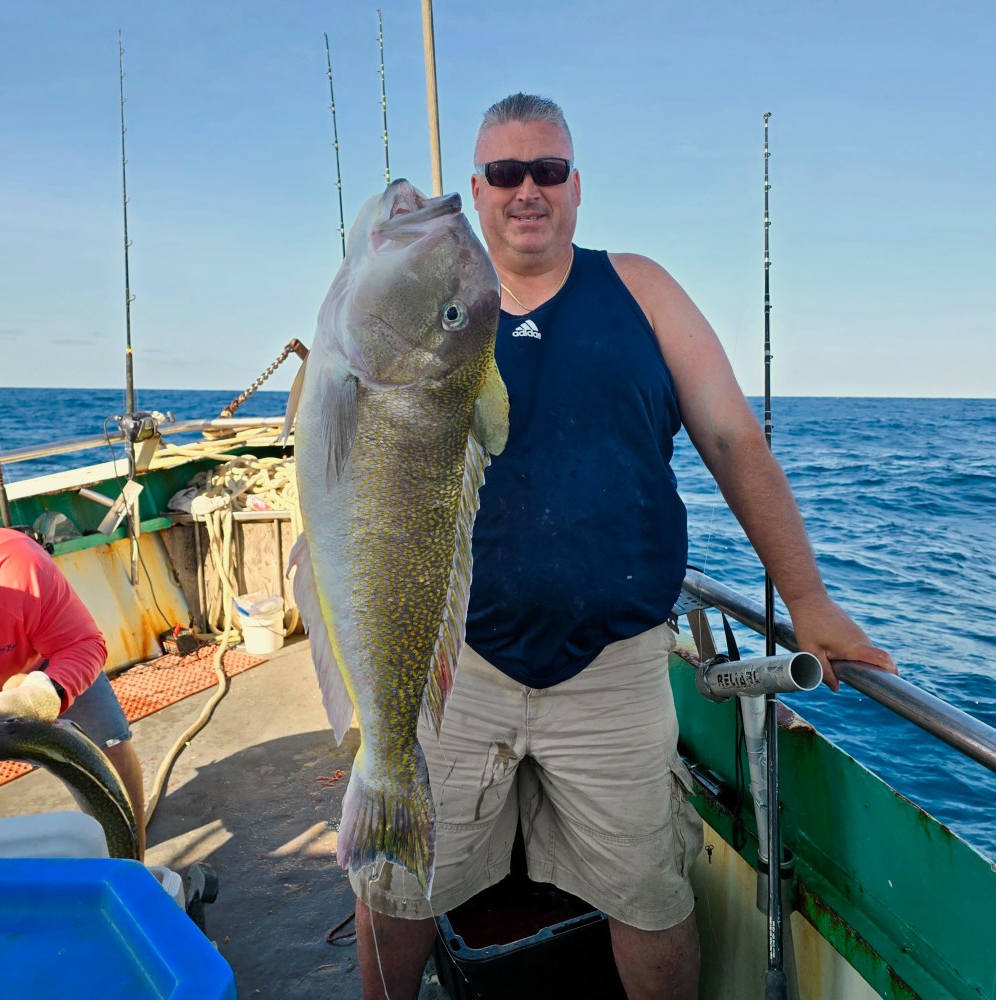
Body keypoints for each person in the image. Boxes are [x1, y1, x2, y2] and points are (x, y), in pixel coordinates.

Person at [350, 93, 898, 1000]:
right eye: (505, 173)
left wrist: (808, 602)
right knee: (397, 883)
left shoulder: (641, 287)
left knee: (649, 897)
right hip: (450, 666)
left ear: (576, 187)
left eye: (549, 171)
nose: (528, 190)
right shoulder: (434, 304)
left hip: (616, 667)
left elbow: (733, 440)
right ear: (478, 192)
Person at [0, 526, 145, 857]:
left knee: (110, 748)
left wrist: (45, 692)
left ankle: (131, 860)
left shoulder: (21, 566)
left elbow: (82, 644)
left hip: (50, 662)